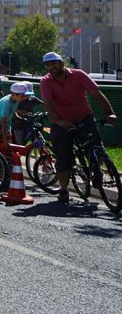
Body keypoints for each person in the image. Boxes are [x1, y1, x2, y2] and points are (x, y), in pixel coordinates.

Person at [39, 52, 117, 203]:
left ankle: (97, 171)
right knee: (63, 156)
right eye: (48, 65)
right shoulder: (46, 81)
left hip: (83, 117)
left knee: (97, 149)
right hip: (61, 122)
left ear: (61, 63)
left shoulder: (79, 75)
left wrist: (110, 113)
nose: (51, 67)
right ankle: (63, 189)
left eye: (54, 63)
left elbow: (96, 93)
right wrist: (59, 121)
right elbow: (48, 104)